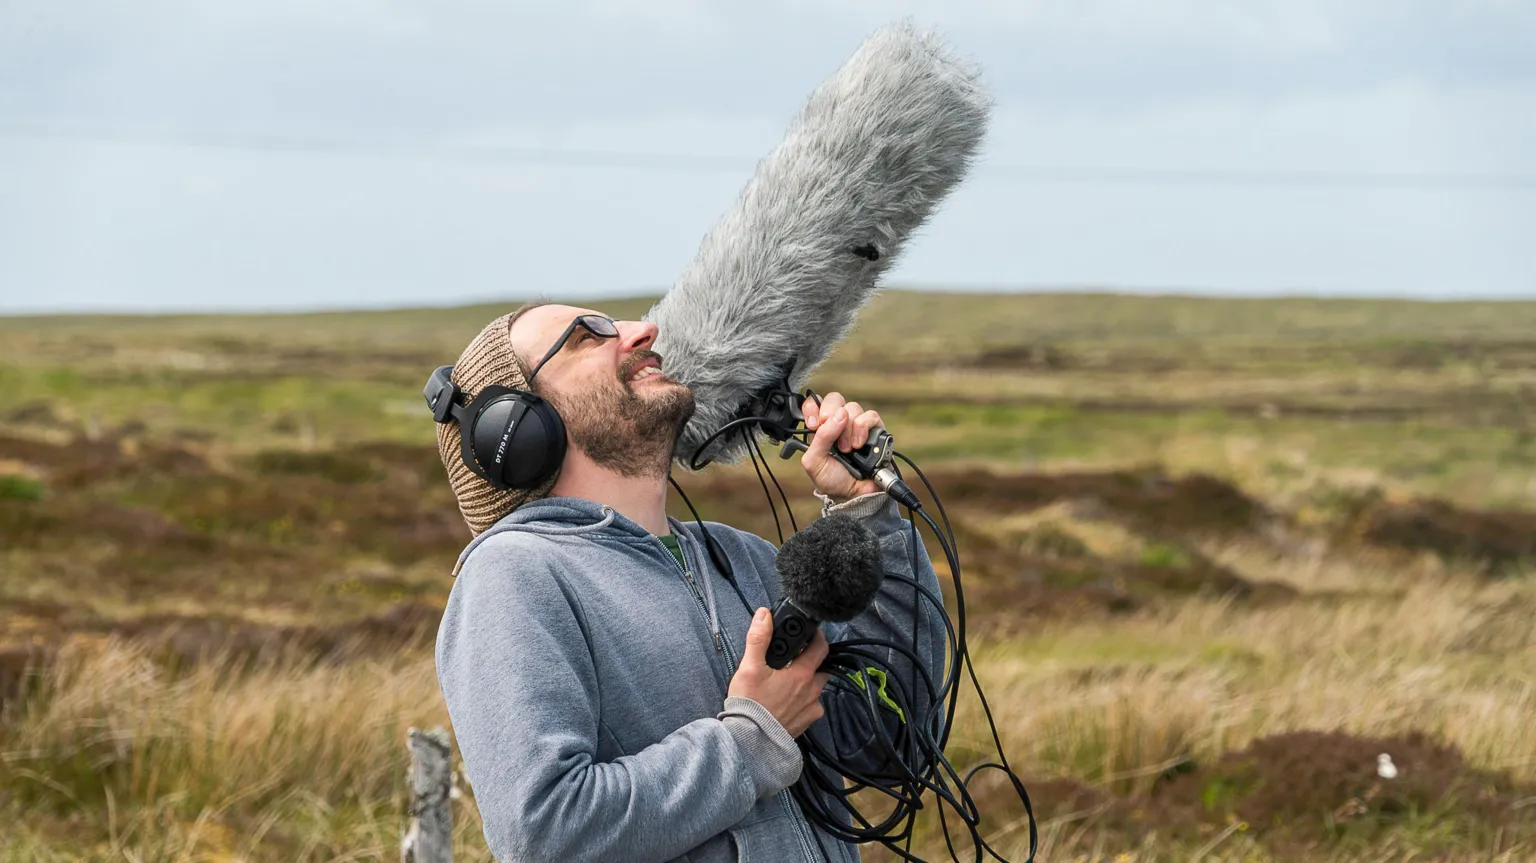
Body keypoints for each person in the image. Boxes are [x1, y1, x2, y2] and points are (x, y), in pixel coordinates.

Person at [432, 301, 945, 862]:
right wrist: (751, 738)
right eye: (585, 337)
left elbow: (889, 748)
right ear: (519, 427)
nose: (642, 330)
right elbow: (544, 833)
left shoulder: (743, 556)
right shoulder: (513, 575)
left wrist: (866, 515)